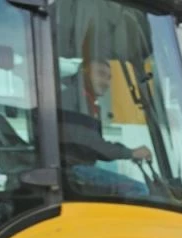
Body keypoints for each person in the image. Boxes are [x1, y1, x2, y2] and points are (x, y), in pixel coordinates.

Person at [59, 58, 151, 197]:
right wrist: (131, 153)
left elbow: (95, 147)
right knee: (139, 190)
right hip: (72, 170)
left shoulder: (87, 103)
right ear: (83, 73)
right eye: (100, 74)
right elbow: (95, 145)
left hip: (77, 167)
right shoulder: (72, 100)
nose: (106, 82)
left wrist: (126, 153)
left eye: (109, 78)